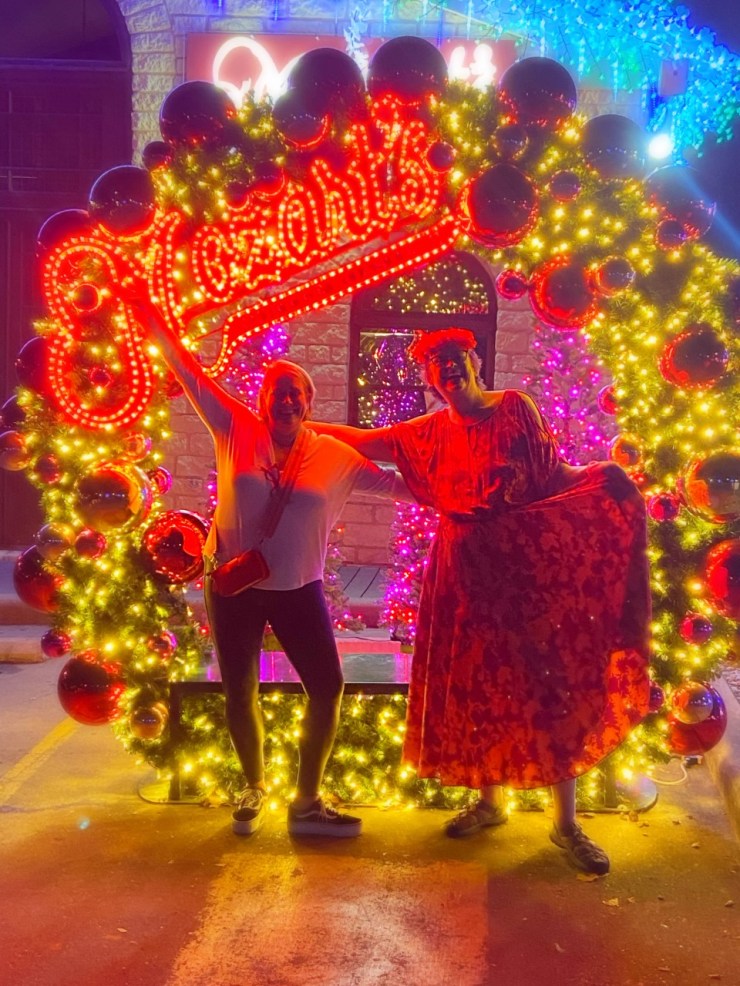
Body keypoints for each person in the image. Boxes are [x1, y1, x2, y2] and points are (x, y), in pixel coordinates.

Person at [312, 327, 651, 875]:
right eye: (436, 363)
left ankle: (566, 825)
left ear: (474, 360)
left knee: (549, 687)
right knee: (478, 687)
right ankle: (490, 804)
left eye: (455, 357)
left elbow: (552, 476)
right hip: (463, 578)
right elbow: (362, 439)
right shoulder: (427, 432)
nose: (447, 368)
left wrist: (601, 478)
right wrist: (293, 426)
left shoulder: (516, 408)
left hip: (526, 575)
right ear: (429, 377)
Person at [134, 301, 410, 838]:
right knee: (240, 690)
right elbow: (188, 371)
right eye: (276, 391)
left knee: (327, 688)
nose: (285, 399)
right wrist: (153, 322)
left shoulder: (335, 456)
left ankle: (306, 801)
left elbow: (402, 487)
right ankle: (253, 786)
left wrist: (471, 493)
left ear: (309, 402)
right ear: (261, 401)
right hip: (233, 586)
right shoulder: (235, 427)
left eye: (295, 392)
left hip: (297, 590)